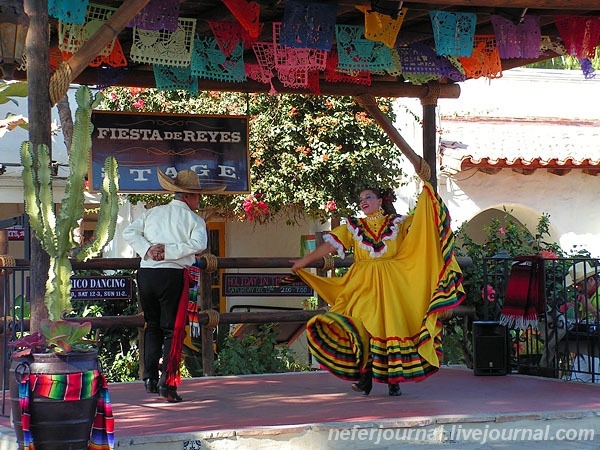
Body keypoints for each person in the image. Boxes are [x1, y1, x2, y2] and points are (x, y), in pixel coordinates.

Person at [291, 182, 465, 396]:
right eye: (361, 199)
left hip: (393, 284)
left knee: (391, 328)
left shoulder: (398, 223)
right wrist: (304, 261)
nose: (363, 201)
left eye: (368, 197)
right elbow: (329, 247)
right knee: (363, 326)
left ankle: (393, 381)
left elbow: (424, 225)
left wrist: (427, 192)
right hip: (362, 284)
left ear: (380, 201)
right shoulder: (352, 226)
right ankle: (366, 378)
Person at [122, 169, 219, 402]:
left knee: (152, 325)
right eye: (197, 195)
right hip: (172, 275)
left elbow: (129, 232)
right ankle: (169, 383)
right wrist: (169, 251)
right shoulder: (194, 220)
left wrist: (148, 249)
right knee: (172, 329)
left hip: (146, 274)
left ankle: (149, 377)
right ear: (188, 196)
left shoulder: (152, 213)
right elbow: (198, 244)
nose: (199, 200)